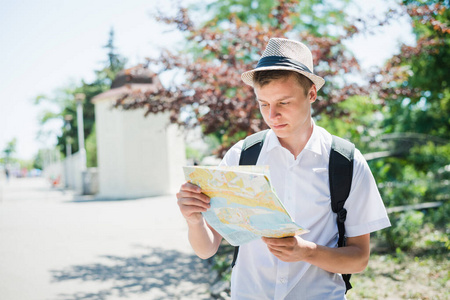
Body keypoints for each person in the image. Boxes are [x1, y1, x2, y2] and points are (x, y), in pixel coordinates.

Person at [176, 37, 391, 299]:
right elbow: (206, 249)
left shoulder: (346, 162)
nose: (272, 116)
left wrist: (307, 251)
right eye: (263, 104)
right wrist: (194, 220)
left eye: (283, 103)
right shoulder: (242, 156)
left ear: (311, 93)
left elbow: (359, 259)